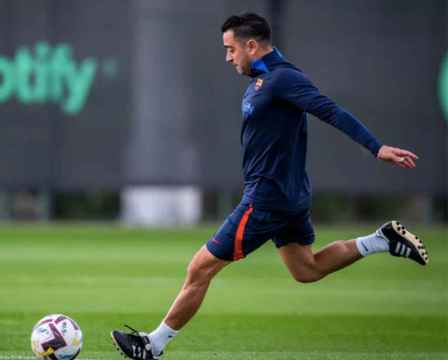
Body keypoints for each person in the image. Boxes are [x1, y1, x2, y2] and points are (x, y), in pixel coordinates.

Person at [110, 12, 429, 360]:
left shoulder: (283, 79)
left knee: (199, 268)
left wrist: (376, 147)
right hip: (287, 196)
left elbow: (330, 111)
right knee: (306, 269)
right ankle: (380, 240)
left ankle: (152, 346)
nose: (228, 57)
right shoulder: (263, 81)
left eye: (231, 49)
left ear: (251, 45)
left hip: (266, 198)